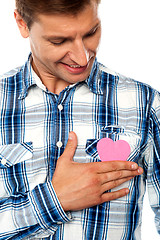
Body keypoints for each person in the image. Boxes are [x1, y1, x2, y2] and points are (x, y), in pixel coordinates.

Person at [0, 0, 159, 239]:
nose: (82, 57)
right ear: (22, 24)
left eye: (91, 33)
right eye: (59, 41)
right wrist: (54, 200)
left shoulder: (145, 102)